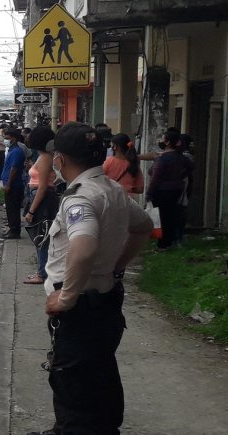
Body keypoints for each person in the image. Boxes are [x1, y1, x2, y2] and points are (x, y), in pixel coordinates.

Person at [34, 122, 153, 435]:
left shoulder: (80, 198)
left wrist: (67, 296)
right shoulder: (111, 189)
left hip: (82, 306)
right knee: (99, 376)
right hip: (105, 299)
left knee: (73, 384)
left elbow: (83, 247)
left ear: (60, 159)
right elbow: (142, 227)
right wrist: (116, 267)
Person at [23, 126, 58, 285]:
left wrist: (31, 210)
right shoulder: (44, 155)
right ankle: (41, 270)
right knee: (41, 236)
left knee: (41, 236)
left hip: (41, 199)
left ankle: (42, 273)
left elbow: (43, 187)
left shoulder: (45, 158)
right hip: (37, 195)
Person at [146, 131, 192, 250]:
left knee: (162, 218)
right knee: (170, 216)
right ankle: (168, 242)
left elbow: (155, 177)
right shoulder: (181, 157)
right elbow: (190, 167)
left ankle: (162, 244)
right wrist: (179, 178)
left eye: (162, 138)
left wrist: (149, 194)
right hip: (176, 190)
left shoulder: (163, 159)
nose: (160, 140)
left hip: (161, 191)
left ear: (167, 142)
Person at [1, 128, 29, 239]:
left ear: (14, 138)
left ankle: (15, 231)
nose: (5, 140)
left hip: (14, 185)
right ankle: (12, 229)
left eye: (7, 138)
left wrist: (8, 184)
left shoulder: (16, 151)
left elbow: (14, 169)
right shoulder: (12, 150)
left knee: (13, 209)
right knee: (10, 208)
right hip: (10, 184)